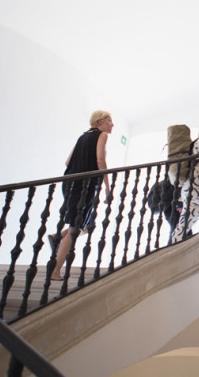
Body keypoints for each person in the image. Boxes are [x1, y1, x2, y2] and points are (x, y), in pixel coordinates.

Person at [50, 110, 113, 281]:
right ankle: (55, 271)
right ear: (99, 122)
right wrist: (108, 187)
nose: (112, 124)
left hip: (69, 183)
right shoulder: (102, 135)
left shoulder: (82, 136)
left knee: (84, 225)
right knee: (75, 229)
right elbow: (101, 160)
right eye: (109, 120)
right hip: (84, 185)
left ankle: (57, 237)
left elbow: (67, 162)